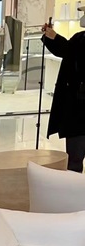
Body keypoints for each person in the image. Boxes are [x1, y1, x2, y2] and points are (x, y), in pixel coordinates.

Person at [42, 19, 85, 172]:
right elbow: (66, 51)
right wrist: (51, 37)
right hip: (76, 108)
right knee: (74, 157)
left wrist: (55, 37)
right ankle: (74, 183)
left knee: (76, 155)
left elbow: (75, 52)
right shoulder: (80, 37)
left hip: (80, 106)